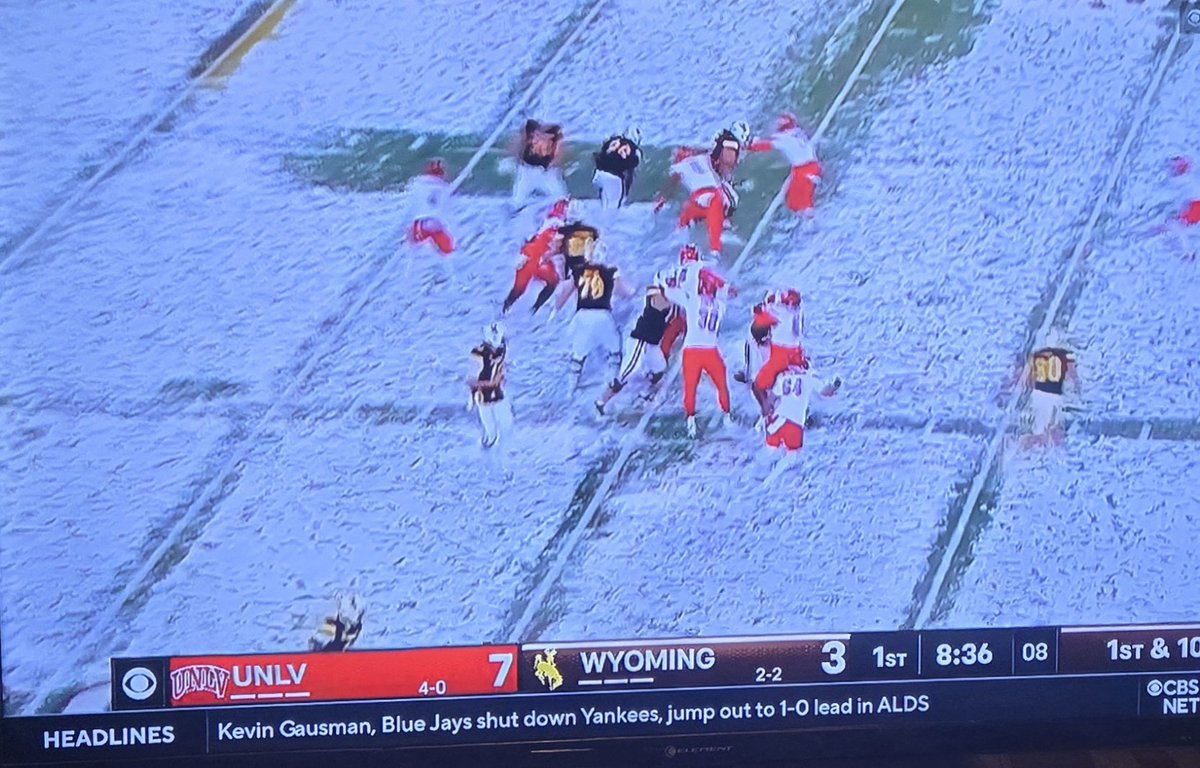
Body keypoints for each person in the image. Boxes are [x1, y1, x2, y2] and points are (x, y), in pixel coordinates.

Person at [660, 266, 737, 438]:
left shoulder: (692, 300)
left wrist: (669, 283)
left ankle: (690, 420)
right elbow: (730, 292)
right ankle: (727, 415)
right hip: (711, 349)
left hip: (693, 350)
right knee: (721, 384)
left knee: (691, 387)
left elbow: (669, 292)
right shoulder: (720, 305)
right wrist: (722, 285)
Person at [653, 122, 749, 256]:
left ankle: (680, 230)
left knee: (698, 208)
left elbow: (710, 154)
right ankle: (721, 232)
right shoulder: (731, 145)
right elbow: (726, 162)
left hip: (698, 173)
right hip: (707, 180)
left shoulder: (718, 140)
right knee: (730, 200)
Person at [556, 245, 629, 391]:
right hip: (603, 316)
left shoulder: (578, 271)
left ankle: (571, 388)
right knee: (615, 351)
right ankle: (611, 382)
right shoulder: (611, 272)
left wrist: (555, 308)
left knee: (578, 356)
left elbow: (565, 293)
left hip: (582, 316)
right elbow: (625, 293)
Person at [594, 283, 672, 415]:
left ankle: (644, 392)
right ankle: (601, 402)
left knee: (659, 370)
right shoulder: (656, 296)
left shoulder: (664, 297)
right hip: (640, 342)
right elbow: (660, 301)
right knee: (626, 374)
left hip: (652, 344)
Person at [765, 351, 841, 457]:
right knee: (793, 455)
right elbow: (824, 392)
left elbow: (770, 400)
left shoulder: (782, 377)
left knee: (772, 453)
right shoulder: (808, 379)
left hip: (778, 421)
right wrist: (834, 386)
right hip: (795, 423)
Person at [748, 112, 822, 215]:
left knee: (800, 206)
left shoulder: (783, 138)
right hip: (814, 166)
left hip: (802, 172)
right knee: (803, 204)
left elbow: (763, 146)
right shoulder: (798, 131)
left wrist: (747, 145)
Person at [1024, 336, 1080, 448]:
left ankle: (1033, 446)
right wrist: (1076, 387)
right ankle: (1043, 447)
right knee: (1054, 427)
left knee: (1039, 428)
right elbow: (1072, 374)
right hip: (1054, 396)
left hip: (1037, 394)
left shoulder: (1036, 354)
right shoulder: (1065, 354)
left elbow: (1030, 378)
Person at [468, 322, 513, 449]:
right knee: (486, 415)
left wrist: (502, 376)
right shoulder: (480, 352)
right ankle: (490, 436)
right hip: (483, 390)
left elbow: (502, 367)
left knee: (500, 417)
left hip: (495, 389)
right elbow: (474, 373)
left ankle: (496, 438)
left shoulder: (502, 350)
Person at [502, 221, 561, 315]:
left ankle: (506, 307)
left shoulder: (546, 231)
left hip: (528, 256)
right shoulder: (555, 234)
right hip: (537, 261)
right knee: (553, 282)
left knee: (518, 290)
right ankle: (535, 308)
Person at [512, 119, 567, 213]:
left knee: (560, 197)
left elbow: (559, 153)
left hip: (547, 173)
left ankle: (563, 215)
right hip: (527, 170)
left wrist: (552, 165)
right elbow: (521, 143)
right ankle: (515, 216)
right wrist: (518, 159)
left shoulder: (556, 132)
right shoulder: (529, 128)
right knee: (517, 200)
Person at [406, 159, 455, 255]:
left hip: (417, 225)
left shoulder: (417, 184)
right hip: (432, 224)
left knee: (414, 253)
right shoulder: (443, 186)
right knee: (450, 253)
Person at [593, 127, 643, 211]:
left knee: (604, 198)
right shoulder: (634, 151)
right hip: (614, 178)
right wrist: (625, 194)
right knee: (612, 209)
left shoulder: (614, 140)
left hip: (599, 174)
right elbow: (629, 173)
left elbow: (602, 154)